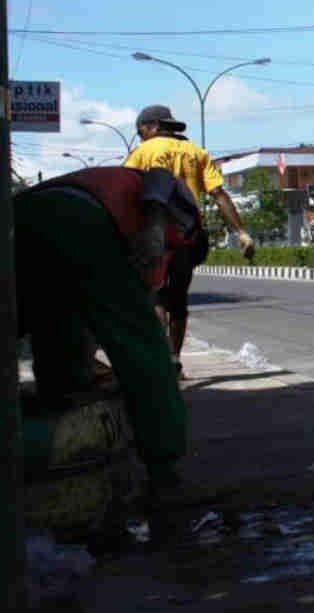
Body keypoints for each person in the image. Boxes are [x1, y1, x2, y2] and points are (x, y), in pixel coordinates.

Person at [16, 166, 212, 506]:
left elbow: (84, 316)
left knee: (53, 322)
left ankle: (64, 405)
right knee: (145, 351)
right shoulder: (186, 222)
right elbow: (161, 176)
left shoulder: (111, 198)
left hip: (20, 217)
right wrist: (153, 227)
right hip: (78, 218)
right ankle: (165, 475)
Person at [124, 104, 254, 375]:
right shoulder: (197, 152)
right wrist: (241, 232)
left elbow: (127, 190)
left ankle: (161, 361)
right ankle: (174, 359)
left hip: (157, 234)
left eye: (141, 131)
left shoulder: (144, 152)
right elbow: (219, 195)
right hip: (189, 236)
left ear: (154, 126)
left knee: (157, 296)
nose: (140, 137)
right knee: (178, 297)